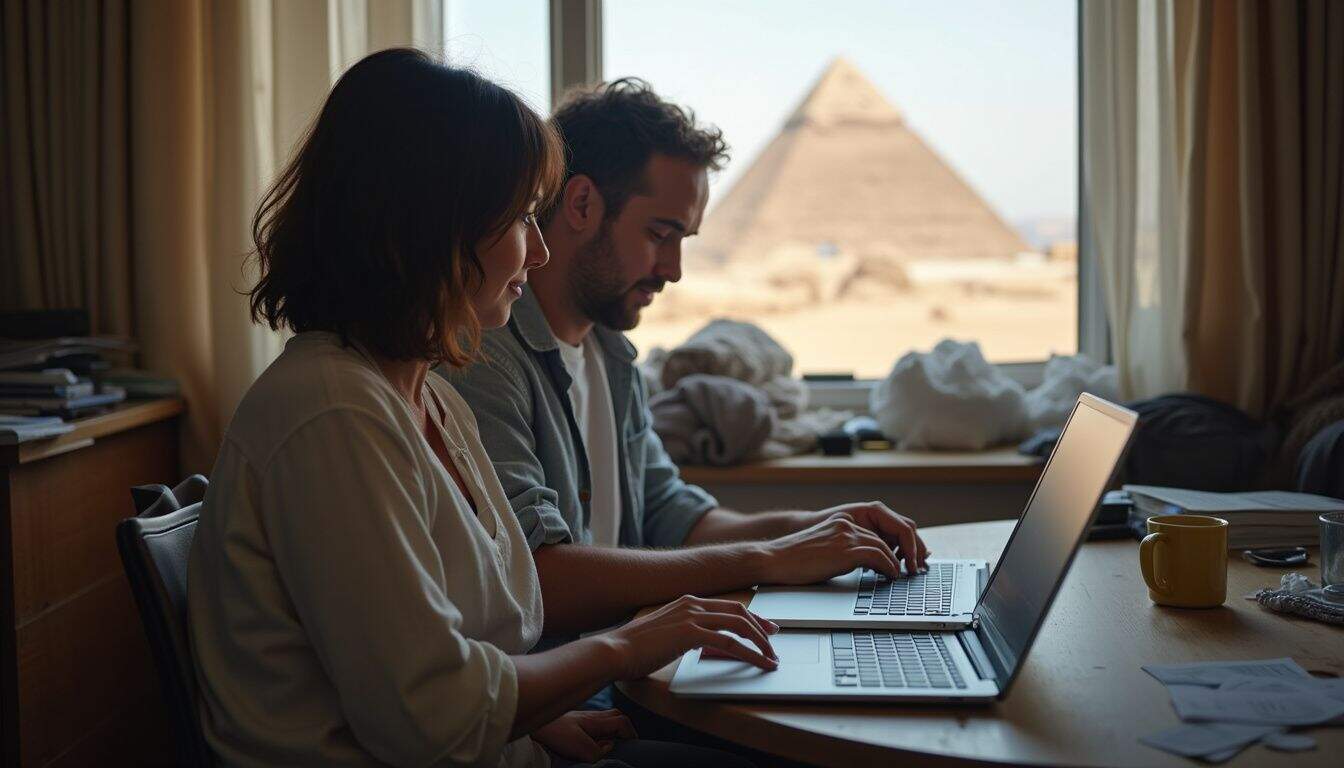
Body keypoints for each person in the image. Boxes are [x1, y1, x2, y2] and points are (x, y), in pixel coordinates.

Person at [187, 49, 772, 768]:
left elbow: (464, 640)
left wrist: (536, 720)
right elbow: (430, 716)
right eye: (523, 217)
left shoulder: (427, 394)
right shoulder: (334, 415)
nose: (538, 252)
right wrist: (626, 646)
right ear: (436, 224)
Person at [442, 79, 930, 643]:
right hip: (564, 687)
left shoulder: (611, 354)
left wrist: (820, 529)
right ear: (581, 205)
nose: (673, 270)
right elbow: (537, 579)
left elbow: (675, 516)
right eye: (660, 234)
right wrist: (769, 558)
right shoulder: (482, 358)